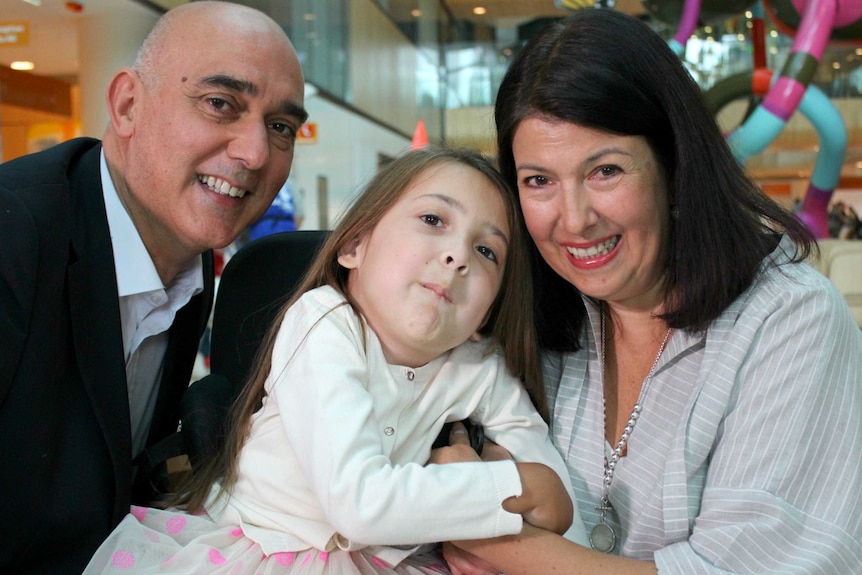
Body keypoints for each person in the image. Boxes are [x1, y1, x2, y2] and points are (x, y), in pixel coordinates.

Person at [443, 8, 862, 575]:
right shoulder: (527, 309)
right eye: (538, 181)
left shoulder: (789, 316)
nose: (574, 220)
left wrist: (509, 550)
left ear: (672, 165)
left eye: (605, 171)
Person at [82, 145, 588, 574]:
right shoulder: (324, 321)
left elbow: (556, 493)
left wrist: (551, 504)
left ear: (486, 312)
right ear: (353, 245)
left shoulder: (479, 361)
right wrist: (513, 485)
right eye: (433, 220)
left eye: (486, 251)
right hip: (262, 550)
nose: (457, 255)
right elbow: (360, 504)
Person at [0, 2, 307, 573]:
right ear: (127, 105)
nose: (255, 153)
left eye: (281, 127)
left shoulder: (193, 268)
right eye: (220, 104)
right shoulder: (13, 234)